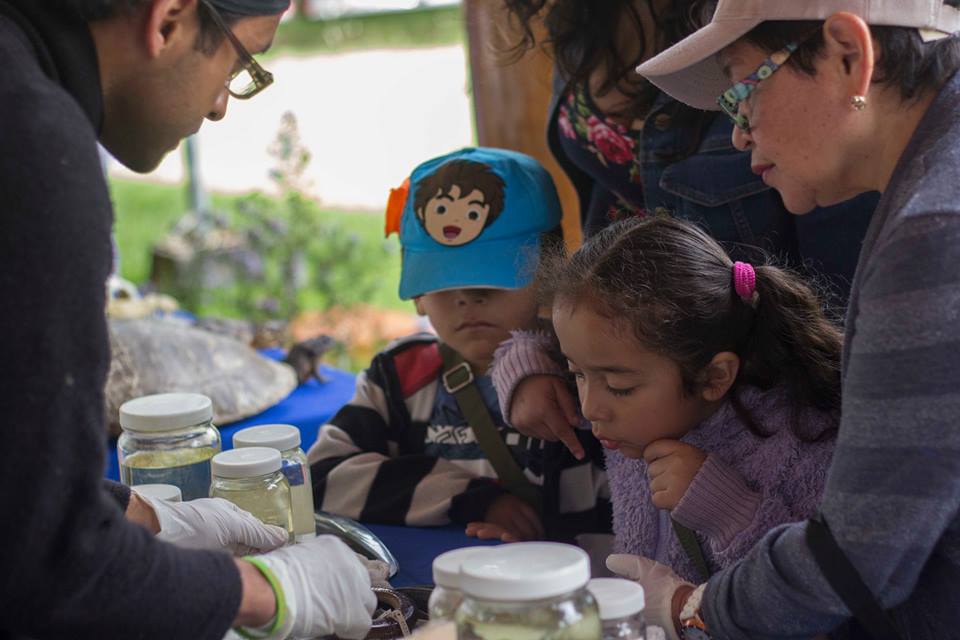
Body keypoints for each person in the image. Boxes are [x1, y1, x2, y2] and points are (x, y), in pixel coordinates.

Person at [0, 1, 376, 638]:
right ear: (168, 18)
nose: (220, 106)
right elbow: (45, 569)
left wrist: (143, 515)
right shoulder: (29, 146)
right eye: (241, 63)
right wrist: (269, 592)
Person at [601, 1, 960, 638]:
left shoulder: (932, 235)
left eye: (742, 92)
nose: (738, 133)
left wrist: (692, 606)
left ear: (848, 56)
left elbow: (860, 559)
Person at [492, 215, 838, 584]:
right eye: (576, 373)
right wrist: (524, 370)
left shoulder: (801, 443)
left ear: (714, 377)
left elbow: (812, 596)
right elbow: (545, 348)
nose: (591, 408)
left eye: (619, 387)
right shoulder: (632, 397)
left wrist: (728, 513)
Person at [307, 147, 611, 544]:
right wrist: (470, 498)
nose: (467, 299)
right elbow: (321, 474)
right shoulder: (399, 376)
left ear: (550, 274)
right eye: (444, 282)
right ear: (417, 293)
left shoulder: (589, 371)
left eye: (490, 281)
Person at [502, 0, 876, 292]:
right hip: (626, 339)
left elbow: (842, 298)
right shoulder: (578, 23)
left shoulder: (769, 25)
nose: (739, 134)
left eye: (738, 97)